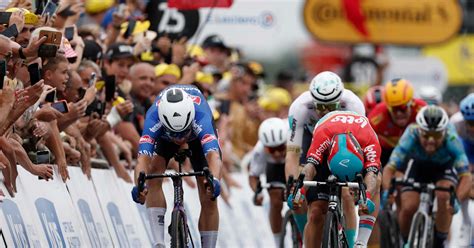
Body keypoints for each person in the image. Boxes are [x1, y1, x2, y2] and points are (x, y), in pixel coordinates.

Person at [131, 85, 222, 248]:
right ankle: (158, 242)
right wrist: (139, 186)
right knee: (153, 171)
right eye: (175, 134)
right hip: (165, 138)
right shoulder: (154, 116)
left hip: (196, 136)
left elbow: (213, 156)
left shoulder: (201, 116)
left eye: (183, 133)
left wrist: (214, 180)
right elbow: (142, 159)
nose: (180, 139)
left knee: (209, 194)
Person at [285, 71, 365, 235]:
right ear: (313, 100)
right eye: (320, 106)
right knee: (313, 210)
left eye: (331, 106)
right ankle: (303, 236)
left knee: (347, 196)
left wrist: (358, 181)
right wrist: (293, 186)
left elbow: (360, 149)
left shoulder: (354, 105)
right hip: (311, 141)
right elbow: (292, 154)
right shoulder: (299, 107)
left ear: (340, 101)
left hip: (342, 144)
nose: (326, 112)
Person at [289, 110, 382, 248]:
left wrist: (366, 196)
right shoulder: (323, 134)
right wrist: (300, 190)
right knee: (316, 213)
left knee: (376, 181)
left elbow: (372, 175)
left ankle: (361, 242)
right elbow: (309, 168)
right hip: (328, 151)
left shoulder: (370, 141)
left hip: (357, 152)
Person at [382, 105, 471, 248]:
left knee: (444, 195)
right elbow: (389, 168)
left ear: (443, 133)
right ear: (419, 131)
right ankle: (405, 241)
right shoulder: (411, 133)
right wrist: (387, 191)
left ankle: (439, 241)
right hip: (418, 165)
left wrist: (457, 200)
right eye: (426, 135)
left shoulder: (452, 138)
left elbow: (466, 176)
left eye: (436, 135)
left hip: (443, 167)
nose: (430, 140)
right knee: (409, 206)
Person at [368, 78, 426, 166]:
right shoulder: (376, 117)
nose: (399, 113)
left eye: (403, 108)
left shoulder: (422, 110)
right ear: (388, 107)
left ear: (411, 103)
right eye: (394, 109)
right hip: (386, 154)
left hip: (415, 152)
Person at [248, 118, 288, 246]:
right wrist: (257, 192)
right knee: (275, 201)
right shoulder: (259, 150)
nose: (276, 154)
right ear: (265, 146)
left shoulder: (295, 143)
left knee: (301, 199)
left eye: (281, 148)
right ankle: (278, 241)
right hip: (275, 169)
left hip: (295, 161)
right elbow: (253, 176)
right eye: (271, 150)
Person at [450, 93, 474, 243]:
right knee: (463, 183)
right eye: (469, 123)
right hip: (465, 149)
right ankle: (464, 226)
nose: (472, 127)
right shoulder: (455, 124)